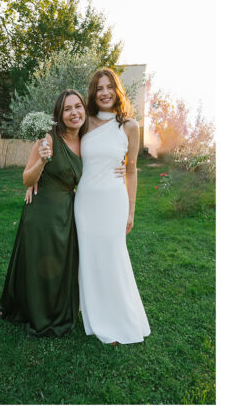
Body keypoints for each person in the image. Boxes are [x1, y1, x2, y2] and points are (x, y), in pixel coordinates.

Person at [0, 90, 86, 337]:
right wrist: (42, 162)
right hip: (41, 209)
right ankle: (37, 311)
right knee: (39, 262)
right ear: (59, 114)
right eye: (67, 108)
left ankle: (59, 308)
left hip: (68, 211)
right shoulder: (47, 138)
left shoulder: (87, 141)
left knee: (61, 263)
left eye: (78, 106)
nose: (73, 113)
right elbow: (27, 178)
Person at [75, 68, 150, 345]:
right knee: (90, 258)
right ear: (93, 93)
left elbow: (131, 170)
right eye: (99, 88)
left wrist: (131, 209)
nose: (104, 92)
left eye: (109, 87)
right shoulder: (84, 123)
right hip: (85, 202)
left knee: (113, 257)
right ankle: (94, 317)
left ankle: (119, 319)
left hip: (113, 201)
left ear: (117, 90)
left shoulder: (130, 126)